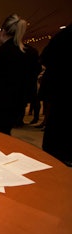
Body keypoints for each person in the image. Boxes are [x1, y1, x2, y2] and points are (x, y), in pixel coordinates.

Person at [40, 24, 72, 167]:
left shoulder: (63, 35)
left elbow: (45, 57)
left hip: (59, 89)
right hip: (62, 89)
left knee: (56, 124)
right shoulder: (65, 35)